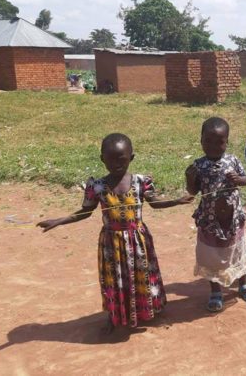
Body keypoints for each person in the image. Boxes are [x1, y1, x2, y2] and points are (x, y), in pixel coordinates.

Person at [37, 133, 194, 333]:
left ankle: (148, 309)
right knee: (114, 280)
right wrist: (59, 221)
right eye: (111, 159)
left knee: (142, 275)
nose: (116, 164)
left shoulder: (141, 181)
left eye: (121, 159)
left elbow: (155, 203)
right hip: (111, 244)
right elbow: (85, 212)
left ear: (131, 158)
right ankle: (116, 315)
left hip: (138, 241)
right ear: (102, 159)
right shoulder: (97, 186)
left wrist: (177, 201)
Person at [186, 117, 246, 312]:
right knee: (211, 255)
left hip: (232, 219)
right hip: (210, 220)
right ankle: (215, 290)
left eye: (219, 142)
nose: (213, 146)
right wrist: (189, 179)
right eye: (208, 141)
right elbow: (193, 191)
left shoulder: (232, 160)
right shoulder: (198, 165)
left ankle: (243, 283)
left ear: (227, 142)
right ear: (201, 141)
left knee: (237, 251)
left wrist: (238, 179)